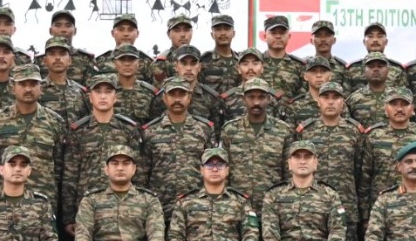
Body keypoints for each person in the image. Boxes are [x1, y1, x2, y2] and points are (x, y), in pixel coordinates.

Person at [61, 73, 142, 229]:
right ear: (90, 98)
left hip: (123, 207)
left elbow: (138, 172)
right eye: (98, 92)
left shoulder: (128, 129)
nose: (103, 96)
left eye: (108, 91)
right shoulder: (79, 131)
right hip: (86, 207)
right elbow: (70, 176)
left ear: (115, 97)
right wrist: (69, 217)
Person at [0, 64, 65, 205]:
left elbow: (60, 167)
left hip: (42, 201)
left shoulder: (55, 122)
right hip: (3, 203)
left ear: (41, 87)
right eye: (23, 84)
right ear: (13, 87)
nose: (28, 89)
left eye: (33, 84)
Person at [360, 88, 416, 224]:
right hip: (382, 209)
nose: (399, 109)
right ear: (385, 109)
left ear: (412, 109)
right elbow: (365, 178)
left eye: (404, 104)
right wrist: (365, 216)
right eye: (394, 104)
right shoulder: (373, 136)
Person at [294, 80, 366, 232]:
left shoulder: (354, 131)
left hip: (345, 204)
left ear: (343, 102)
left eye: (336, 97)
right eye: (326, 97)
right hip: (312, 205)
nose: (331, 102)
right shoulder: (306, 131)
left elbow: (360, 170)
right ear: (318, 101)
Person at [143, 78, 219, 220]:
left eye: (182, 95)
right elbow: (143, 172)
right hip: (160, 207)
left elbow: (213, 167)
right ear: (164, 98)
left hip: (197, 207)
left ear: (189, 97)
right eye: (172, 95)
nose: (177, 99)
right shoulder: (150, 131)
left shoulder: (204, 129)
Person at [219, 78, 293, 216]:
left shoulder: (283, 130)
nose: (256, 102)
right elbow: (224, 171)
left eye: (261, 97)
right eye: (251, 97)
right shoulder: (230, 130)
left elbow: (289, 173)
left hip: (272, 208)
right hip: (237, 208)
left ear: (269, 99)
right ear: (243, 99)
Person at [37, 37, 89, 121]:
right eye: (52, 54)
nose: (57, 58)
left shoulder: (81, 92)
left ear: (69, 60)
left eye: (62, 54)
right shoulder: (37, 90)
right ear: (45, 61)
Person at [109, 44, 158, 125]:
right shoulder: (107, 91)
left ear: (138, 63)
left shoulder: (149, 92)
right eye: (122, 60)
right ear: (115, 63)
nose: (127, 64)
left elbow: (155, 123)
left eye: (131, 60)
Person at [260, 14, 305, 99]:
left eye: (282, 33)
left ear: (289, 36)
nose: (278, 36)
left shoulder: (299, 66)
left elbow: (302, 95)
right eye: (273, 33)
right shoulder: (256, 63)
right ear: (265, 36)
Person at [200, 14, 242, 93]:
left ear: (233, 33)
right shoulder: (204, 61)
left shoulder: (241, 61)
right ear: (212, 34)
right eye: (218, 29)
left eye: (226, 29)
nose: (223, 33)